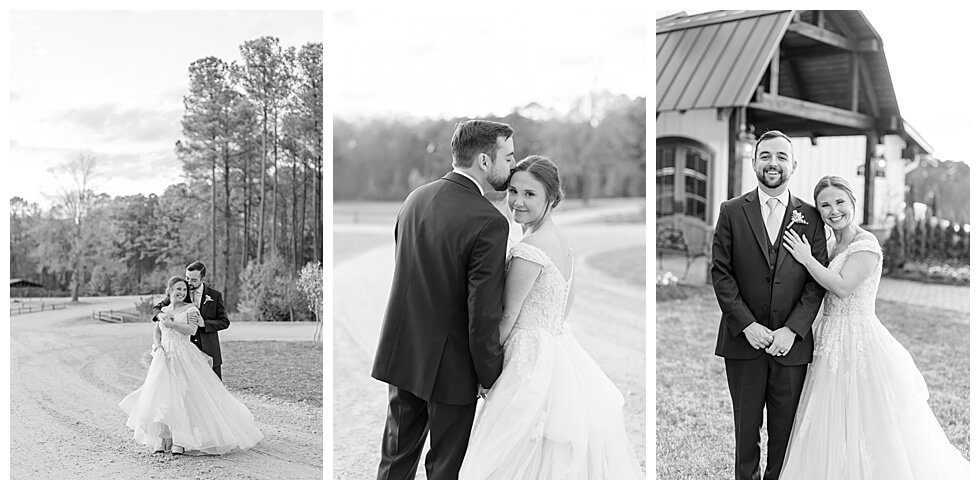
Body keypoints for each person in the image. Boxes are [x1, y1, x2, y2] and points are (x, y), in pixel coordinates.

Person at [458, 156, 643, 479]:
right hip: (556, 350)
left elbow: (509, 314)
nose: (516, 201)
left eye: (530, 194)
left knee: (514, 449)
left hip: (528, 360)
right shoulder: (562, 245)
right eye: (513, 191)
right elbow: (563, 309)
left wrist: (481, 367)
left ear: (552, 199)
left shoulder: (530, 248)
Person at [779, 175, 970, 479]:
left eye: (839, 202)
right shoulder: (830, 243)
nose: (833, 210)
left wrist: (805, 259)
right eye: (825, 205)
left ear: (853, 201)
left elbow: (842, 287)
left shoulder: (865, 244)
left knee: (865, 414)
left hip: (858, 337)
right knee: (830, 413)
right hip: (828, 336)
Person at [371, 120, 514, 480]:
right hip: (453, 368)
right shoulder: (489, 221)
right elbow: (482, 313)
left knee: (394, 462)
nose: (512, 166)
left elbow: (409, 276)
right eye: (508, 157)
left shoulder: (414, 199)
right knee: (446, 471)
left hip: (404, 352)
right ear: (484, 160)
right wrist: (489, 373)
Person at [710, 130, 828, 479]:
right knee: (746, 431)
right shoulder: (731, 211)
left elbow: (815, 282)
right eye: (765, 156)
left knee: (785, 432)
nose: (772, 163)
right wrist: (747, 325)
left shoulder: (811, 216)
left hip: (791, 347)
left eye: (780, 156)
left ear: (793, 164)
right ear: (754, 162)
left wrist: (792, 330)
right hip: (743, 342)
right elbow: (721, 273)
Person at [119, 276, 262, 455]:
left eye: (184, 290)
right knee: (163, 394)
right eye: (178, 289)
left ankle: (182, 439)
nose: (181, 293)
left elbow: (192, 330)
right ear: (169, 290)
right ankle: (164, 438)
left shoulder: (191, 309)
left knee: (185, 394)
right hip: (165, 356)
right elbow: (157, 331)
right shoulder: (163, 310)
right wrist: (157, 346)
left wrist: (172, 324)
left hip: (183, 353)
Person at [152, 261, 229, 379]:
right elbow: (157, 308)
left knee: (213, 390)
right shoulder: (181, 291)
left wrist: (204, 324)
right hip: (183, 352)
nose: (189, 283)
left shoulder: (215, 296)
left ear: (202, 279)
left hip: (208, 348)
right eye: (187, 278)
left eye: (193, 280)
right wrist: (160, 315)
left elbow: (224, 322)